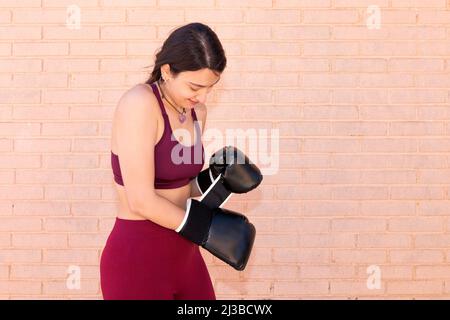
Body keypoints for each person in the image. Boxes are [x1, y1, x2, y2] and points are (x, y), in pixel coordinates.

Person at [99, 22, 261, 300]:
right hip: (138, 258)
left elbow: (181, 186)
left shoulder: (198, 112)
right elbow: (141, 200)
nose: (202, 96)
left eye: (210, 87)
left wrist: (218, 179)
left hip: (185, 255)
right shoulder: (139, 104)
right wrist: (206, 228)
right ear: (167, 71)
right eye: (195, 86)